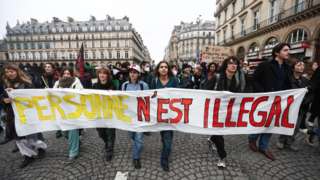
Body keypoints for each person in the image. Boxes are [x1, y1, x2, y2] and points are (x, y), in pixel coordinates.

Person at [248, 43, 292, 161]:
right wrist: (263, 93)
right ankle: (252, 138)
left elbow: (288, 83)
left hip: (279, 101)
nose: (288, 52)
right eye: (285, 50)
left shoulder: (288, 67)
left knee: (271, 123)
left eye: (289, 50)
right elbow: (254, 80)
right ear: (277, 52)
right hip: (265, 99)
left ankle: (264, 146)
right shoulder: (265, 65)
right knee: (261, 121)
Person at [1, 64, 47, 168]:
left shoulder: (26, 83)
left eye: (11, 71)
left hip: (27, 113)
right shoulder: (5, 84)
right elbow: (2, 97)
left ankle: (41, 148)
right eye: (7, 72)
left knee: (33, 134)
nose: (9, 74)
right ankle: (27, 155)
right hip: (12, 115)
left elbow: (33, 97)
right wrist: (4, 100)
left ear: (17, 72)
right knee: (19, 137)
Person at [205, 57, 246, 168]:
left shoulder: (237, 80)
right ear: (226, 65)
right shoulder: (217, 77)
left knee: (219, 132)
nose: (234, 65)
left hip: (227, 111)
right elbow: (205, 91)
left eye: (236, 64)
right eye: (231, 63)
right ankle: (222, 157)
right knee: (219, 133)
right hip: (215, 110)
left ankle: (211, 138)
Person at [150, 61, 179, 172]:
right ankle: (165, 147)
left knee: (168, 141)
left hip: (170, 116)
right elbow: (150, 95)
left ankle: (164, 160)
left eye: (165, 67)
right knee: (164, 136)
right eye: (161, 67)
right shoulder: (154, 81)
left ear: (168, 69)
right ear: (158, 69)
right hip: (158, 114)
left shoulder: (174, 81)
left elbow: (179, 95)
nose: (163, 69)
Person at [276, 59, 309, 151]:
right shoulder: (287, 79)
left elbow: (309, 94)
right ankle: (281, 140)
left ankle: (290, 142)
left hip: (300, 108)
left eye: (302, 65)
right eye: (298, 65)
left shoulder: (305, 81)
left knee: (296, 127)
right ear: (293, 67)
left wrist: (305, 100)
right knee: (286, 124)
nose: (301, 67)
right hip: (289, 106)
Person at [122, 64, 149, 169]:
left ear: (138, 74)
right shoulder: (124, 85)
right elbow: (121, 99)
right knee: (132, 136)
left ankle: (136, 157)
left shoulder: (144, 85)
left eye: (135, 72)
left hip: (140, 116)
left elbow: (149, 100)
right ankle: (137, 147)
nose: (133, 74)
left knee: (138, 138)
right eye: (131, 72)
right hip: (129, 116)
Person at [53, 68, 83, 160]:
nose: (66, 75)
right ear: (61, 75)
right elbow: (53, 94)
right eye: (64, 73)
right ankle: (77, 141)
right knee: (64, 132)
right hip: (61, 111)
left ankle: (73, 152)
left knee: (72, 130)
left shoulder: (76, 82)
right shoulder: (57, 83)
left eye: (68, 73)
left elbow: (81, 93)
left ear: (71, 75)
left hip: (73, 111)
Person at [91, 65, 116, 161]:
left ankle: (110, 150)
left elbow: (119, 98)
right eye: (100, 73)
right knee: (101, 133)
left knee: (110, 133)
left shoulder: (112, 85)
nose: (102, 75)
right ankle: (107, 143)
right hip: (98, 113)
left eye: (104, 73)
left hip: (110, 113)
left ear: (107, 75)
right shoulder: (94, 86)